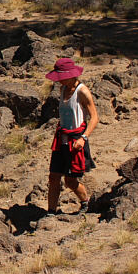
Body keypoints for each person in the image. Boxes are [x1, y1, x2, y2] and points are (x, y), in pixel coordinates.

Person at [45, 57, 98, 214]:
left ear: (70, 74)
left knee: (70, 180)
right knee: (53, 177)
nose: (59, 80)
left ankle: (85, 202)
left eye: (61, 77)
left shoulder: (82, 91)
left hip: (76, 140)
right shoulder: (62, 89)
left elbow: (94, 118)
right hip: (61, 139)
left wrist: (83, 138)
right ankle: (51, 211)